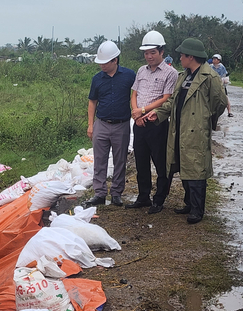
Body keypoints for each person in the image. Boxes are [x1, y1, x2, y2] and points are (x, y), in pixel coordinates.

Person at [144, 38, 227, 223]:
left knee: (196, 168)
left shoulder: (209, 77)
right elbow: (173, 101)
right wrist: (157, 113)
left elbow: (219, 102)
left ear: (191, 56)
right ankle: (189, 203)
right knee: (184, 165)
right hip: (179, 128)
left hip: (195, 130)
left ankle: (197, 210)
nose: (180, 58)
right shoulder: (184, 76)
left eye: (182, 55)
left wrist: (205, 118)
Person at [127, 30, 178, 214]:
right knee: (141, 162)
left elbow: (166, 98)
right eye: (146, 53)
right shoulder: (141, 70)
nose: (149, 56)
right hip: (139, 123)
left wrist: (143, 111)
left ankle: (159, 199)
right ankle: (143, 196)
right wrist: (136, 114)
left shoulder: (170, 73)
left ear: (162, 51)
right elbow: (134, 93)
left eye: (153, 53)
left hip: (156, 123)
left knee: (160, 163)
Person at [85, 40, 136, 207]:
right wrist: (91, 125)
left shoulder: (129, 76)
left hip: (121, 124)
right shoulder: (97, 79)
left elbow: (136, 95)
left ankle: (116, 193)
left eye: (105, 63)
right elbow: (92, 102)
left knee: (120, 160)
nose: (102, 66)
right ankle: (99, 193)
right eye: (100, 63)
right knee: (99, 160)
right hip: (102, 123)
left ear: (115, 60)